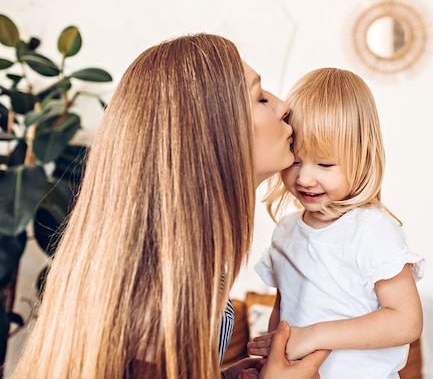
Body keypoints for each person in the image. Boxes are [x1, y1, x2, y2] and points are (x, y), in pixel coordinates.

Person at [10, 34, 328, 379]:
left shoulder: (189, 258)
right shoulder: (158, 285)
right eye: (260, 98)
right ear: (210, 133)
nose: (283, 107)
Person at [250, 68, 425, 379]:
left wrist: (315, 335)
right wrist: (276, 353)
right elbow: (283, 311)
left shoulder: (371, 229)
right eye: (296, 159)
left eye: (325, 164)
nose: (304, 178)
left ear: (363, 158)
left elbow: (406, 321)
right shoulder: (285, 233)